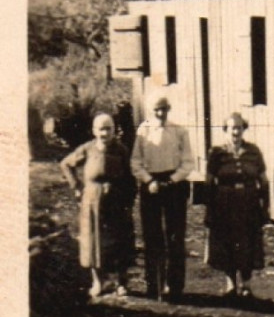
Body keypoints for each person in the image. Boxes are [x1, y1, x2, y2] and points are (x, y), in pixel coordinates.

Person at [60, 112, 136, 298]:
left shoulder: (121, 150)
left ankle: (121, 283)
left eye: (108, 128)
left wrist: (129, 200)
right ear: (94, 131)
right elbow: (65, 164)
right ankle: (98, 282)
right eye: (101, 129)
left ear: (114, 130)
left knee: (120, 240)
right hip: (93, 201)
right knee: (94, 240)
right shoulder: (87, 149)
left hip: (117, 200)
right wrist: (77, 187)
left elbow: (129, 176)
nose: (104, 133)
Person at [131, 93, 194, 302]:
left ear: (169, 109)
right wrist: (149, 181)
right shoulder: (143, 130)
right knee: (152, 236)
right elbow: (135, 163)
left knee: (175, 237)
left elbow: (188, 163)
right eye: (157, 109)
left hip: (174, 185)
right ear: (151, 110)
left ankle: (175, 287)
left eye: (164, 109)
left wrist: (173, 180)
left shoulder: (179, 131)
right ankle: (154, 286)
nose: (160, 113)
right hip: (151, 186)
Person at [206, 113, 268, 297]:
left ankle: (247, 284)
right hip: (224, 205)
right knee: (227, 242)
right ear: (226, 130)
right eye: (232, 128)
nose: (236, 132)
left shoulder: (253, 151)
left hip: (248, 203)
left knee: (248, 242)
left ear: (243, 129)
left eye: (239, 127)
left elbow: (263, 181)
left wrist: (265, 206)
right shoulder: (217, 153)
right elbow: (209, 182)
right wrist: (210, 210)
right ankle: (231, 283)